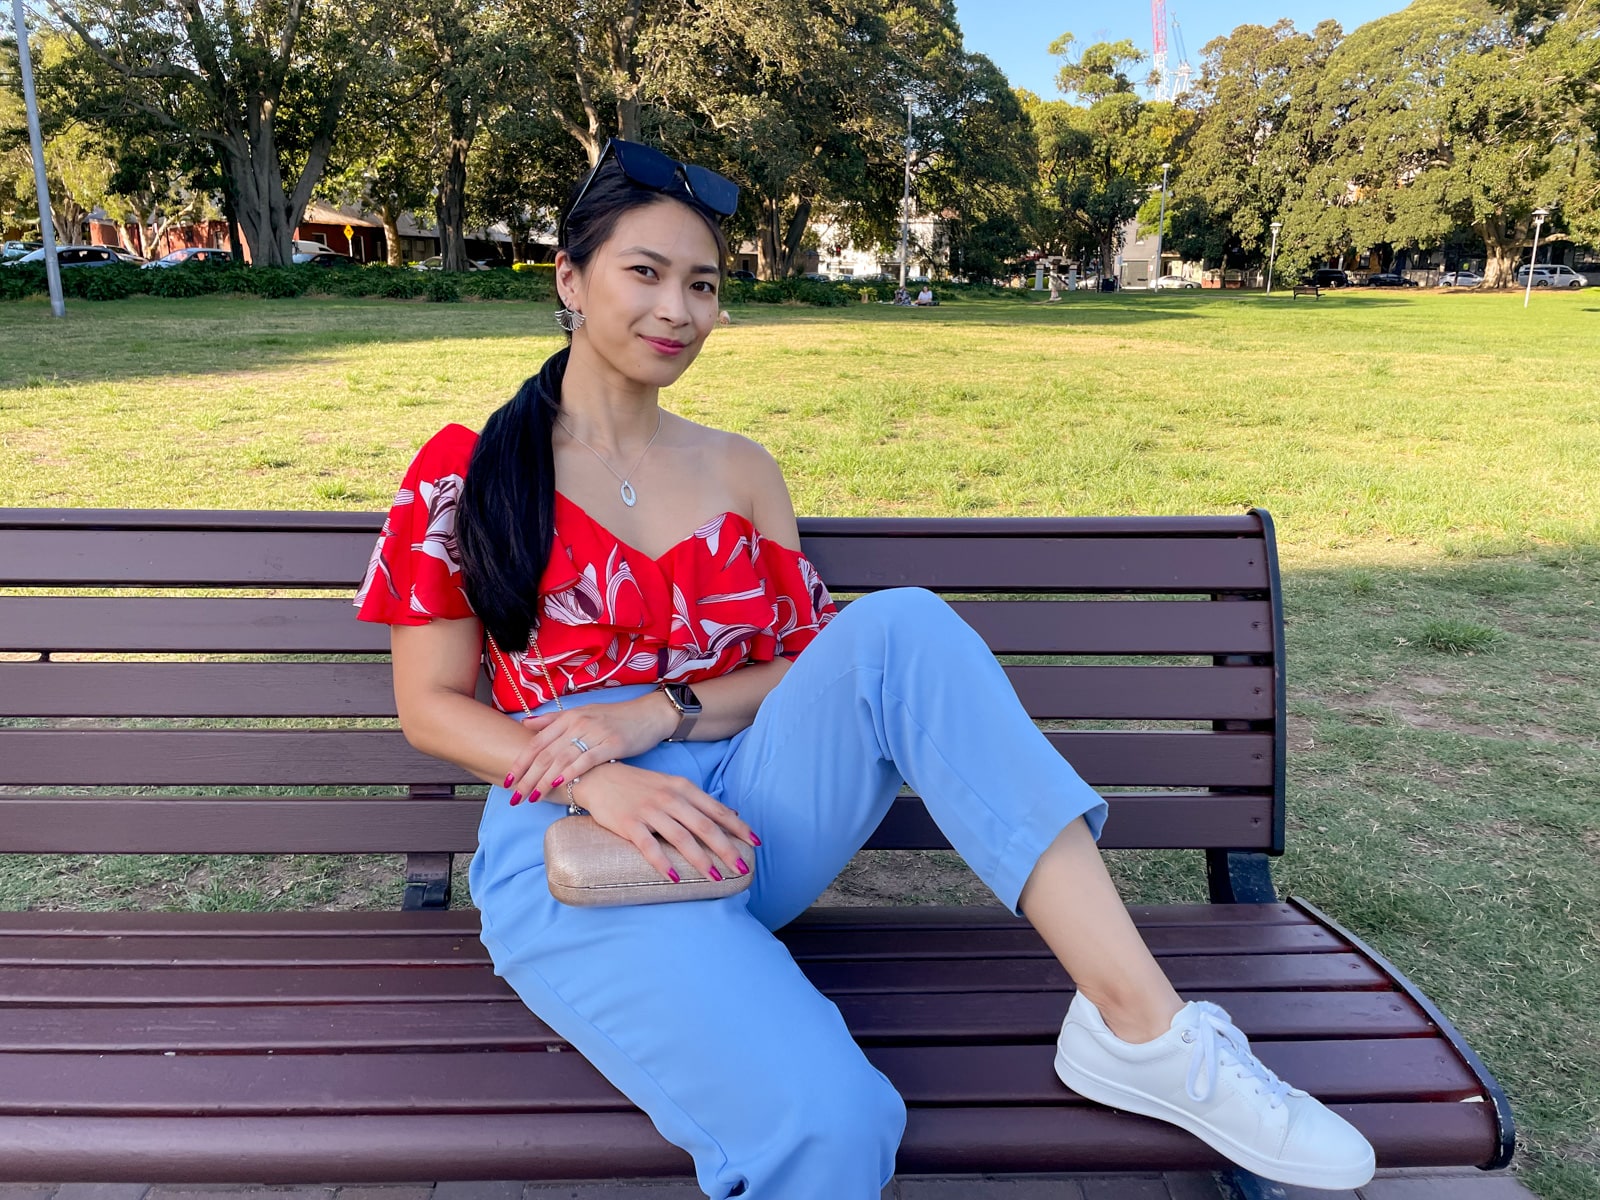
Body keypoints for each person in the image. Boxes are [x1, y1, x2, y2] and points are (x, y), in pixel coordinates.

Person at [355, 137, 1375, 1199]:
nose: (677, 311)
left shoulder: (740, 468)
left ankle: (1141, 1029)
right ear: (569, 280)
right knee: (835, 1128)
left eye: (702, 285)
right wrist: (594, 771)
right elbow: (429, 707)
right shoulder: (467, 472)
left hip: (746, 817)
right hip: (572, 839)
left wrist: (659, 712)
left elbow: (810, 665)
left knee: (905, 628)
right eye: (644, 274)